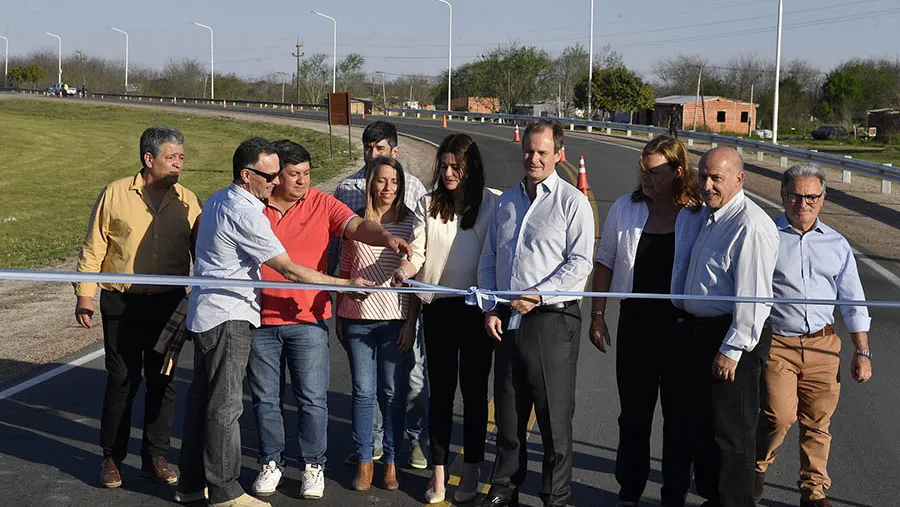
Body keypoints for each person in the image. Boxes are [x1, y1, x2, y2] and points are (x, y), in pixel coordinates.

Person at [174, 137, 372, 507]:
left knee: (203, 404)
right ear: (246, 175)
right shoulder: (247, 213)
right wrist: (345, 284)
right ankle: (225, 491)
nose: (275, 181)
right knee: (226, 409)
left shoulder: (218, 198)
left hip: (209, 314)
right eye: (269, 176)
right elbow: (290, 270)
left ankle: (190, 484)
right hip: (229, 317)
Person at [246, 140, 412, 500]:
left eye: (307, 174)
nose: (302, 181)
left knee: (312, 399)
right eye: (294, 174)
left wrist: (385, 236)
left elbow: (357, 226)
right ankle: (271, 461)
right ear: (276, 175)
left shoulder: (321, 203)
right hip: (260, 318)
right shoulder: (254, 206)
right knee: (265, 399)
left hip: (307, 320)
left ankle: (313, 464)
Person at [74, 126, 201, 489]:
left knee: (163, 380)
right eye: (171, 157)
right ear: (149, 158)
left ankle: (155, 456)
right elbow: (94, 248)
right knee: (122, 380)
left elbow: (204, 252)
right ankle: (112, 458)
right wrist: (85, 296)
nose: (178, 164)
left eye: (181, 158)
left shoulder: (188, 200)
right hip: (122, 303)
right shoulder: (115, 194)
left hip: (169, 305)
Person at [477, 119, 595, 507]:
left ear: (558, 154)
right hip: (508, 319)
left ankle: (555, 497)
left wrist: (539, 295)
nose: (534, 158)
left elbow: (580, 263)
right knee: (508, 414)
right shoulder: (506, 201)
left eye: (543, 152)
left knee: (552, 419)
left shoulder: (572, 202)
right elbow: (490, 256)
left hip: (552, 321)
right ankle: (504, 488)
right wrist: (491, 306)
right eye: (529, 150)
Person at [590, 135, 703, 507]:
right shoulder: (626, 208)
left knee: (679, 418)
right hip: (636, 324)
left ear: (678, 172)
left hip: (681, 327)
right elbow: (605, 260)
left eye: (655, 172)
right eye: (643, 170)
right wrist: (598, 314)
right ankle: (629, 490)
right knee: (634, 416)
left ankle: (674, 494)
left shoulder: (697, 213)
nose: (646, 178)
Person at [754, 164, 873, 507]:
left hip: (823, 345)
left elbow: (853, 301)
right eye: (795, 196)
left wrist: (862, 352)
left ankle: (813, 490)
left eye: (811, 197)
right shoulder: (766, 236)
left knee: (818, 423)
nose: (802, 204)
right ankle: (757, 466)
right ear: (783, 196)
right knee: (779, 416)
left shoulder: (837, 244)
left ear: (823, 198)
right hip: (779, 343)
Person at [392, 134, 499, 504]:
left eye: (456, 166)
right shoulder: (428, 203)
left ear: (471, 168)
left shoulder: (492, 204)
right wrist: (404, 270)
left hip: (476, 310)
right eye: (444, 166)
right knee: (440, 392)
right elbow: (417, 253)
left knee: (474, 392)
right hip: (438, 308)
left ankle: (471, 468)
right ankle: (438, 470)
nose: (448, 173)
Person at [680, 147, 779, 507]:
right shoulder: (709, 217)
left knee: (732, 433)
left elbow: (754, 299)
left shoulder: (750, 225)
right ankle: (715, 499)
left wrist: (731, 350)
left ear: (739, 179)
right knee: (705, 428)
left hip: (732, 338)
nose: (707, 185)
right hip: (701, 332)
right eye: (703, 176)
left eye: (716, 178)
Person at [331, 120, 430, 469]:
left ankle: (415, 439)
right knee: (366, 387)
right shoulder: (347, 189)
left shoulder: (414, 188)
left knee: (410, 379)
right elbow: (339, 249)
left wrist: (411, 318)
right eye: (368, 147)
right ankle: (371, 444)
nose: (373, 154)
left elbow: (419, 252)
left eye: (381, 148)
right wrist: (338, 300)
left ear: (395, 151)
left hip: (398, 308)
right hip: (359, 312)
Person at [336, 156, 416, 492]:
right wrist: (339, 312)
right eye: (381, 180)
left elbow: (416, 278)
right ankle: (365, 460)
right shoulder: (356, 223)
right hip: (357, 319)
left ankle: (392, 461)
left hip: (394, 320)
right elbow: (344, 270)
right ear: (370, 183)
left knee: (393, 393)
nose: (388, 187)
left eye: (394, 181)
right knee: (363, 392)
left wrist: (410, 323)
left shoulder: (411, 224)